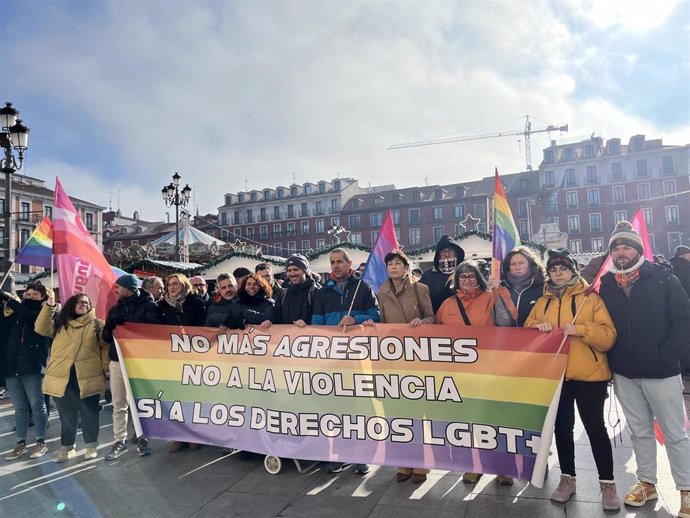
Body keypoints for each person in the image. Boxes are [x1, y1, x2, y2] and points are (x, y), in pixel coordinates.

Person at [598, 221, 690, 516]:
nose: (621, 252)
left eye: (626, 246)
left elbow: (683, 318)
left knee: (675, 433)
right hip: (625, 371)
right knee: (639, 431)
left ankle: (686, 489)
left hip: (661, 370)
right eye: (616, 247)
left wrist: (668, 353)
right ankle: (647, 482)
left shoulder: (662, 278)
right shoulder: (608, 284)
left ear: (638, 250)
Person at [525, 249, 620, 510]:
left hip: (589, 374)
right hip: (556, 375)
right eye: (553, 270)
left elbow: (608, 336)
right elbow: (526, 334)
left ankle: (608, 485)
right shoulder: (542, 301)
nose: (558, 274)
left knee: (595, 429)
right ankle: (567, 479)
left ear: (573, 270)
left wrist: (581, 330)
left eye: (563, 269)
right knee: (562, 429)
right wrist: (536, 329)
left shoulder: (591, 299)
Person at [312, 247, 380, 475]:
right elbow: (317, 326)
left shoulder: (363, 288)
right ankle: (340, 455)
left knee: (361, 411)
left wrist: (356, 319)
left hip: (359, 359)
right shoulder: (322, 293)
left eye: (339, 261)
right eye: (332, 262)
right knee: (338, 411)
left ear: (349, 264)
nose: (335, 266)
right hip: (333, 362)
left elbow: (377, 315)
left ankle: (362, 457)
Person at [369, 250, 434, 484]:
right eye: (390, 264)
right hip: (391, 361)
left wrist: (423, 322)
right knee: (395, 413)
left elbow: (431, 317)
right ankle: (403, 461)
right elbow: (382, 323)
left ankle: (421, 465)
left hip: (415, 359)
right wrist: (371, 324)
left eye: (398, 263)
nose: (394, 267)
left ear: (406, 267)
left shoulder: (420, 289)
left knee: (416, 413)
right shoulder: (381, 293)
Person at [435, 260, 501, 484]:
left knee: (494, 418)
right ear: (457, 280)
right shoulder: (447, 304)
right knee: (469, 420)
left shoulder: (491, 298)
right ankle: (474, 464)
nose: (467, 280)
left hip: (490, 368)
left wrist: (500, 291)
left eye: (472, 275)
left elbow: (509, 320)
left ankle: (502, 468)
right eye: (463, 276)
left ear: (479, 277)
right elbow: (435, 334)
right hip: (460, 372)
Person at [35, 292, 109, 463]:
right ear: (71, 305)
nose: (83, 305)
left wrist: (102, 366)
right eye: (79, 302)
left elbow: (105, 347)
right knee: (67, 415)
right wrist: (49, 306)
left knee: (89, 413)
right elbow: (40, 327)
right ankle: (67, 448)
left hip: (87, 376)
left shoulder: (97, 325)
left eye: (86, 302)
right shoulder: (61, 323)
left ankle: (91, 446)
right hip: (62, 377)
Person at [101, 274, 161, 461]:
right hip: (117, 361)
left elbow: (152, 331)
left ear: (129, 288)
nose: (115, 290)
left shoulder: (149, 306)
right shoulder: (115, 309)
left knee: (139, 402)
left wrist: (127, 326)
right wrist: (110, 327)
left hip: (137, 362)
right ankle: (119, 441)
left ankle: (143, 438)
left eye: (118, 286)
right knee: (119, 403)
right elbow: (105, 337)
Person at [1, 282, 51, 460]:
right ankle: (20, 442)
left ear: (43, 298)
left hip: (33, 366)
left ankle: (40, 442)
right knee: (20, 406)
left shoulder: (43, 312)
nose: (30, 298)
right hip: (12, 366)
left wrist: (9, 299)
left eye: (35, 295)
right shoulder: (16, 314)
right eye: (28, 295)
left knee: (37, 405)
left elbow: (30, 316)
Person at [158, 273, 207, 452]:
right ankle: (178, 435)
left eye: (175, 284)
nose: (171, 287)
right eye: (169, 284)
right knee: (175, 398)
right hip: (173, 358)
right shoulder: (162, 306)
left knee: (192, 398)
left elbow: (203, 329)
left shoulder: (197, 303)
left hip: (193, 356)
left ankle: (194, 435)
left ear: (184, 285)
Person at [420, 235, 465, 313]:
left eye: (451, 251)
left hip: (460, 317)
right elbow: (421, 300)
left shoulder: (464, 272)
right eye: (443, 251)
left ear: (457, 254)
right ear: (438, 255)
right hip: (435, 318)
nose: (447, 254)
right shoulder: (428, 275)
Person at [270, 254, 319, 327]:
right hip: (287, 337)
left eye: (296, 270)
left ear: (304, 271)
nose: (292, 274)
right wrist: (270, 322)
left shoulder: (315, 292)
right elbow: (277, 319)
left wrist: (307, 325)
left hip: (308, 336)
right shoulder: (283, 294)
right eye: (289, 270)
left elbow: (320, 320)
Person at [670, 245, 690, 379]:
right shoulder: (688, 269)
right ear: (684, 255)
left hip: (674, 311)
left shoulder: (669, 269)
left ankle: (683, 368)